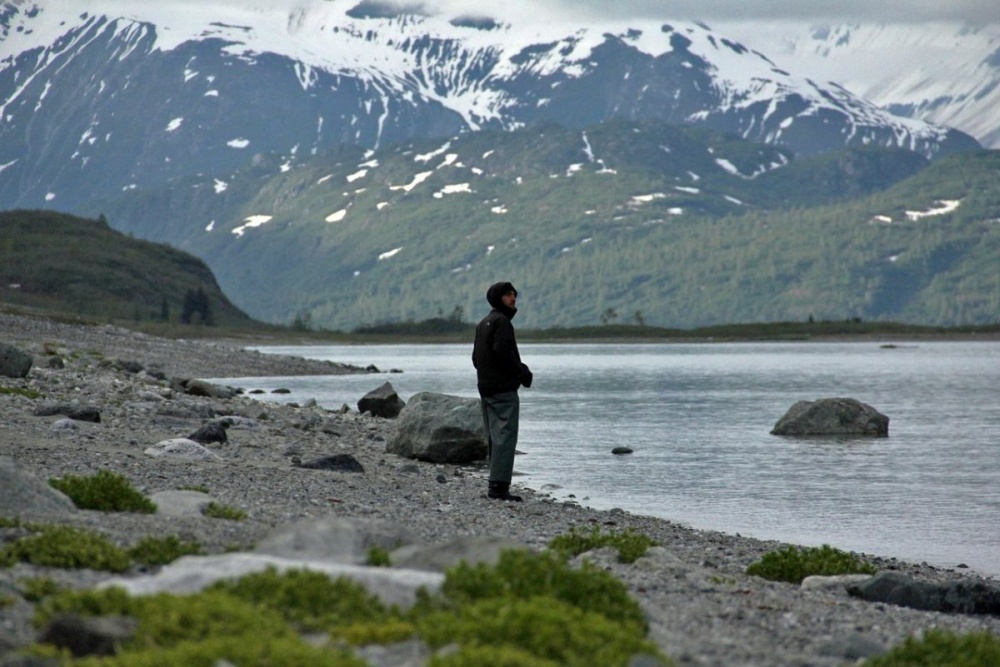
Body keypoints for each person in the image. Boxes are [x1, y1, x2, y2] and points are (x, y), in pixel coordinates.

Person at [472, 281, 533, 501]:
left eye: (514, 294)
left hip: (486, 388)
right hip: (502, 389)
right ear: (498, 298)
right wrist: (521, 373)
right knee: (505, 437)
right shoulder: (502, 323)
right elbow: (504, 353)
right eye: (508, 295)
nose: (513, 298)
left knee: (494, 437)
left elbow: (475, 358)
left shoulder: (483, 323)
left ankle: (495, 483)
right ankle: (498, 487)